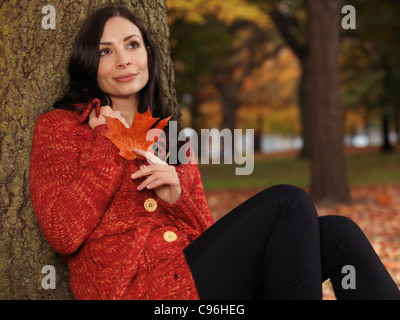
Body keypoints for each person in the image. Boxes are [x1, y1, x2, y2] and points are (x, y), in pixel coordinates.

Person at [29, 5, 400, 300]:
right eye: (105, 52)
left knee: (338, 232)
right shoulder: (62, 128)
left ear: (147, 53)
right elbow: (63, 233)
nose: (124, 60)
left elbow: (208, 235)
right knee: (288, 202)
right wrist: (105, 143)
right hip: (136, 291)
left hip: (199, 285)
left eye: (132, 45)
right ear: (89, 64)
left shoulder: (170, 136)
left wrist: (177, 197)